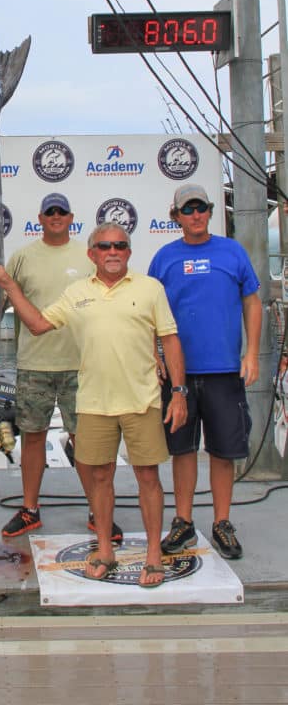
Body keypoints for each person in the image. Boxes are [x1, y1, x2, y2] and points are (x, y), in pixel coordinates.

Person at [0, 223, 187, 587]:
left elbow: (169, 341)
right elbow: (38, 323)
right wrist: (10, 287)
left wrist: (179, 393)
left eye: (120, 246)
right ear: (92, 254)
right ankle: (105, 550)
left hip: (142, 402)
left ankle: (153, 555)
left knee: (148, 479)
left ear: (128, 251)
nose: (113, 251)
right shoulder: (76, 292)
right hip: (92, 404)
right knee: (100, 477)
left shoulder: (150, 288)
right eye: (104, 246)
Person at [148, 183, 261, 561]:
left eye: (202, 208)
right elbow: (148, 312)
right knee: (182, 449)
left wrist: (253, 354)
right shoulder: (164, 258)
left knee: (223, 451)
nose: (195, 215)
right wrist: (156, 355)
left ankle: (222, 522)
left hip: (224, 370)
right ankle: (182, 521)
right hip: (178, 377)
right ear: (176, 216)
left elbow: (252, 300)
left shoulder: (232, 252)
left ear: (211, 212)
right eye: (188, 209)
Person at [1, 192, 118, 543]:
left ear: (71, 218)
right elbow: (3, 299)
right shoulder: (21, 258)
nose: (55, 216)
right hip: (34, 364)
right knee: (33, 437)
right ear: (40, 218)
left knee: (86, 442)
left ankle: (98, 513)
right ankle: (30, 509)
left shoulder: (87, 257)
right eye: (49, 211)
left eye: (61, 211)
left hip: (80, 367)